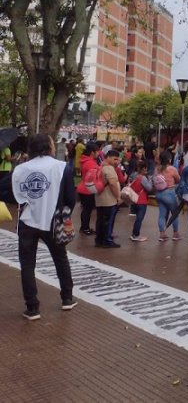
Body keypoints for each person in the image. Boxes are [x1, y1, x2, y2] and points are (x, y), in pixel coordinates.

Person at [12, 134, 78, 320]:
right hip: (53, 220)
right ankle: (67, 298)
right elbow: (71, 199)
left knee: (27, 265)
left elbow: (12, 193)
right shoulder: (61, 167)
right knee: (60, 259)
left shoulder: (21, 169)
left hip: (27, 221)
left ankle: (32, 307)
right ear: (49, 146)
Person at [94, 149, 122, 248]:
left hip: (100, 198)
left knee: (100, 220)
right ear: (108, 157)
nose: (116, 162)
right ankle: (107, 240)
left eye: (118, 159)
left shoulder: (100, 166)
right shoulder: (109, 168)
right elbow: (113, 184)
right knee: (108, 221)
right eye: (115, 159)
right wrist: (118, 197)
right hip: (109, 199)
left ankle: (99, 240)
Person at [154, 151, 182, 242]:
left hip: (158, 194)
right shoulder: (172, 169)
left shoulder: (157, 168)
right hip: (169, 193)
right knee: (174, 214)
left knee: (162, 215)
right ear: (169, 159)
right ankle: (175, 234)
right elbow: (178, 180)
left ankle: (162, 234)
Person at [76, 142, 100, 235]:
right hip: (88, 189)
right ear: (92, 152)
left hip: (83, 187)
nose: (98, 154)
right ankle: (85, 228)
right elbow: (94, 175)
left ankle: (84, 227)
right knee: (87, 210)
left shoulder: (85, 161)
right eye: (97, 152)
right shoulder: (90, 163)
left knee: (86, 209)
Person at [128, 161, 152, 242]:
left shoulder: (133, 175)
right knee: (139, 219)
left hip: (134, 199)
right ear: (143, 168)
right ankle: (135, 235)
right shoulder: (143, 178)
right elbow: (149, 188)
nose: (146, 170)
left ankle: (134, 234)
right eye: (145, 169)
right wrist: (150, 181)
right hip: (142, 200)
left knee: (137, 218)